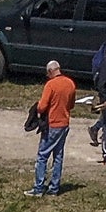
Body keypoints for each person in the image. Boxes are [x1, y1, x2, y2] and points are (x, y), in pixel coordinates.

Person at [31, 59, 75, 198]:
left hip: (52, 124)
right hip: (64, 123)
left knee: (42, 156)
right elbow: (71, 104)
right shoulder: (70, 83)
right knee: (58, 156)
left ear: (50, 71)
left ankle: (38, 188)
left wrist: (37, 108)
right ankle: (54, 188)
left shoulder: (50, 85)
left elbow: (42, 106)